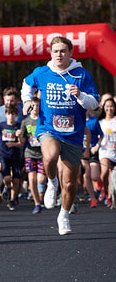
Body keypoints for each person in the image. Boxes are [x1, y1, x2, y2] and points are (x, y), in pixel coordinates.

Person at [21, 36, 99, 235]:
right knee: (50, 156)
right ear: (51, 53)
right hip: (49, 128)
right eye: (55, 51)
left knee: (71, 183)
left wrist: (80, 95)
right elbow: (26, 84)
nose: (59, 54)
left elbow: (94, 103)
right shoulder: (42, 72)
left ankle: (63, 216)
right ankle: (51, 182)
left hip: (73, 134)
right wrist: (27, 100)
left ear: (70, 53)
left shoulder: (82, 75)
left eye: (63, 51)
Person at [0, 106, 23, 211]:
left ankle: (12, 200)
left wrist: (17, 138)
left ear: (16, 115)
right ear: (6, 115)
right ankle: (6, 187)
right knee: (6, 177)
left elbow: (21, 143)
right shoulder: (2, 125)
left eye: (13, 114)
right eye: (9, 114)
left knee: (16, 179)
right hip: (3, 153)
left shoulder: (18, 126)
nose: (11, 116)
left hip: (15, 155)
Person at [19, 99, 45, 214]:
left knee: (41, 179)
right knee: (32, 179)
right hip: (30, 153)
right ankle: (37, 203)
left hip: (43, 154)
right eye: (33, 106)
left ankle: (43, 196)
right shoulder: (25, 121)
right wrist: (19, 136)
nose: (35, 108)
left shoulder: (44, 120)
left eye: (38, 106)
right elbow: (22, 142)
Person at [96, 97, 116, 209]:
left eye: (111, 106)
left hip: (114, 152)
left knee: (112, 177)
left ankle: (110, 197)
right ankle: (104, 190)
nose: (109, 109)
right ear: (104, 108)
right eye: (107, 106)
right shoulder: (100, 122)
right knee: (104, 173)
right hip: (104, 151)